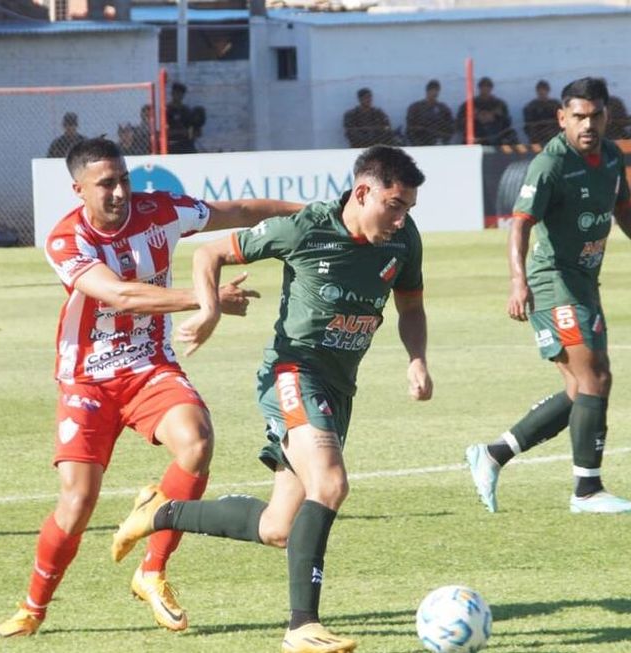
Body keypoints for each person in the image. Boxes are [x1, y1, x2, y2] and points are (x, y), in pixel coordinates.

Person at [111, 145, 433, 653]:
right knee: (329, 483)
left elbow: (411, 306)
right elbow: (208, 252)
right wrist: (211, 309)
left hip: (337, 387)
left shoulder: (402, 241)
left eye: (409, 208)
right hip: (292, 372)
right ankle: (301, 626)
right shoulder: (308, 228)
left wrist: (416, 359)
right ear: (364, 191)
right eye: (394, 205)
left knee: (278, 527)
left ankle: (159, 512)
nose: (401, 218)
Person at [0, 137, 302, 640]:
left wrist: (315, 213)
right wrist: (206, 298)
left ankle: (152, 571)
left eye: (124, 179)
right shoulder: (67, 239)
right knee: (77, 503)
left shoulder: (160, 211)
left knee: (197, 442)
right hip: (87, 377)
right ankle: (32, 608)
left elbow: (239, 209)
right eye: (105, 183)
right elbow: (122, 295)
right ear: (79, 189)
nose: (118, 192)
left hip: (148, 366)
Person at [464, 77, 631, 515]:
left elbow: (625, 211)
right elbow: (521, 223)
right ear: (562, 117)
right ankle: (586, 490)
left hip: (584, 281)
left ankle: (493, 454)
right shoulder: (551, 164)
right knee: (596, 379)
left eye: (596, 115)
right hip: (553, 281)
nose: (588, 124)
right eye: (579, 116)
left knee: (579, 391)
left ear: (607, 116)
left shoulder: (611, 156)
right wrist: (517, 282)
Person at [457, 76, 518, 146]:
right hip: (475, 138)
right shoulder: (468, 105)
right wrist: (474, 118)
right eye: (483, 86)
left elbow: (507, 123)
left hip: (496, 138)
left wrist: (495, 118)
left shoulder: (500, 104)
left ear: (491, 88)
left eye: (488, 86)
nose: (485, 88)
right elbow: (459, 123)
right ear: (479, 88)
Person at [405, 79, 454, 146]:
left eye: (437, 90)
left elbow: (451, 125)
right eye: (432, 90)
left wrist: (443, 136)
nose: (435, 93)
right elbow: (409, 127)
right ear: (427, 91)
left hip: (439, 140)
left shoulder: (443, 108)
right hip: (420, 140)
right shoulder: (415, 107)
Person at [166, 82, 205, 154]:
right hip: (172, 145)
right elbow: (164, 132)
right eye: (176, 93)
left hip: (187, 144)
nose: (178, 95)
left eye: (180, 93)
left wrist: (194, 132)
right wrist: (180, 132)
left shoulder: (186, 110)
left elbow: (195, 131)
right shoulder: (166, 110)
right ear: (172, 93)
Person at [522, 79, 562, 146]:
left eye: (544, 90)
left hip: (554, 139)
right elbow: (527, 126)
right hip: (537, 140)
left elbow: (562, 122)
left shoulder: (556, 105)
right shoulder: (530, 107)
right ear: (537, 91)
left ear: (548, 90)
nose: (542, 92)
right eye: (539, 90)